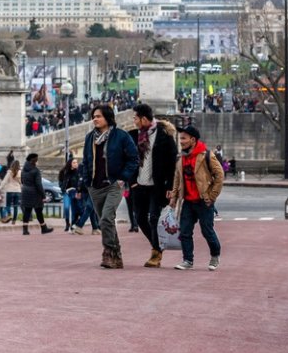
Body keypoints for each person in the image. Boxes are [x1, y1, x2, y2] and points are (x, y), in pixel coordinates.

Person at [78, 104, 139, 270]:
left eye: (98, 116)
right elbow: (85, 160)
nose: (95, 119)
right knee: (106, 221)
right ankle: (116, 256)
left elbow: (134, 159)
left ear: (107, 118)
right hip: (94, 186)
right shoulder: (90, 137)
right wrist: (85, 181)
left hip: (113, 184)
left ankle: (108, 252)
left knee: (105, 218)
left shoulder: (121, 136)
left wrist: (122, 178)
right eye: (93, 117)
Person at [129, 104, 178, 268]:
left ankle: (156, 252)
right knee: (140, 218)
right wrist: (132, 182)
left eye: (136, 118)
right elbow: (128, 160)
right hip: (139, 185)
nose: (134, 121)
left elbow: (172, 163)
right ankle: (157, 245)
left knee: (154, 218)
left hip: (157, 186)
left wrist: (170, 186)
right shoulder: (133, 136)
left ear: (144, 119)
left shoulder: (164, 135)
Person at [169, 125, 224, 270]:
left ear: (193, 140)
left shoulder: (206, 155)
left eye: (183, 138)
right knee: (185, 231)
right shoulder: (181, 157)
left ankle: (215, 255)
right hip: (187, 201)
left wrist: (212, 196)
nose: (181, 141)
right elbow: (177, 178)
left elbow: (219, 175)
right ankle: (188, 260)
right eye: (180, 138)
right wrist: (174, 197)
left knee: (207, 231)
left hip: (203, 201)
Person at [20, 153, 51, 235]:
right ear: (34, 160)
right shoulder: (35, 170)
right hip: (35, 193)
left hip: (25, 191)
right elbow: (38, 184)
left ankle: (25, 230)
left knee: (27, 210)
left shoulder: (23, 170)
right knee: (38, 210)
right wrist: (43, 195)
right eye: (37, 159)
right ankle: (44, 228)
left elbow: (22, 181)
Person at [0, 158, 22, 224]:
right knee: (15, 206)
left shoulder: (9, 172)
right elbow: (21, 182)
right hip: (17, 191)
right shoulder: (20, 172)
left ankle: (8, 215)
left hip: (10, 190)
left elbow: (4, 181)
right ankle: (14, 221)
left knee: (8, 205)